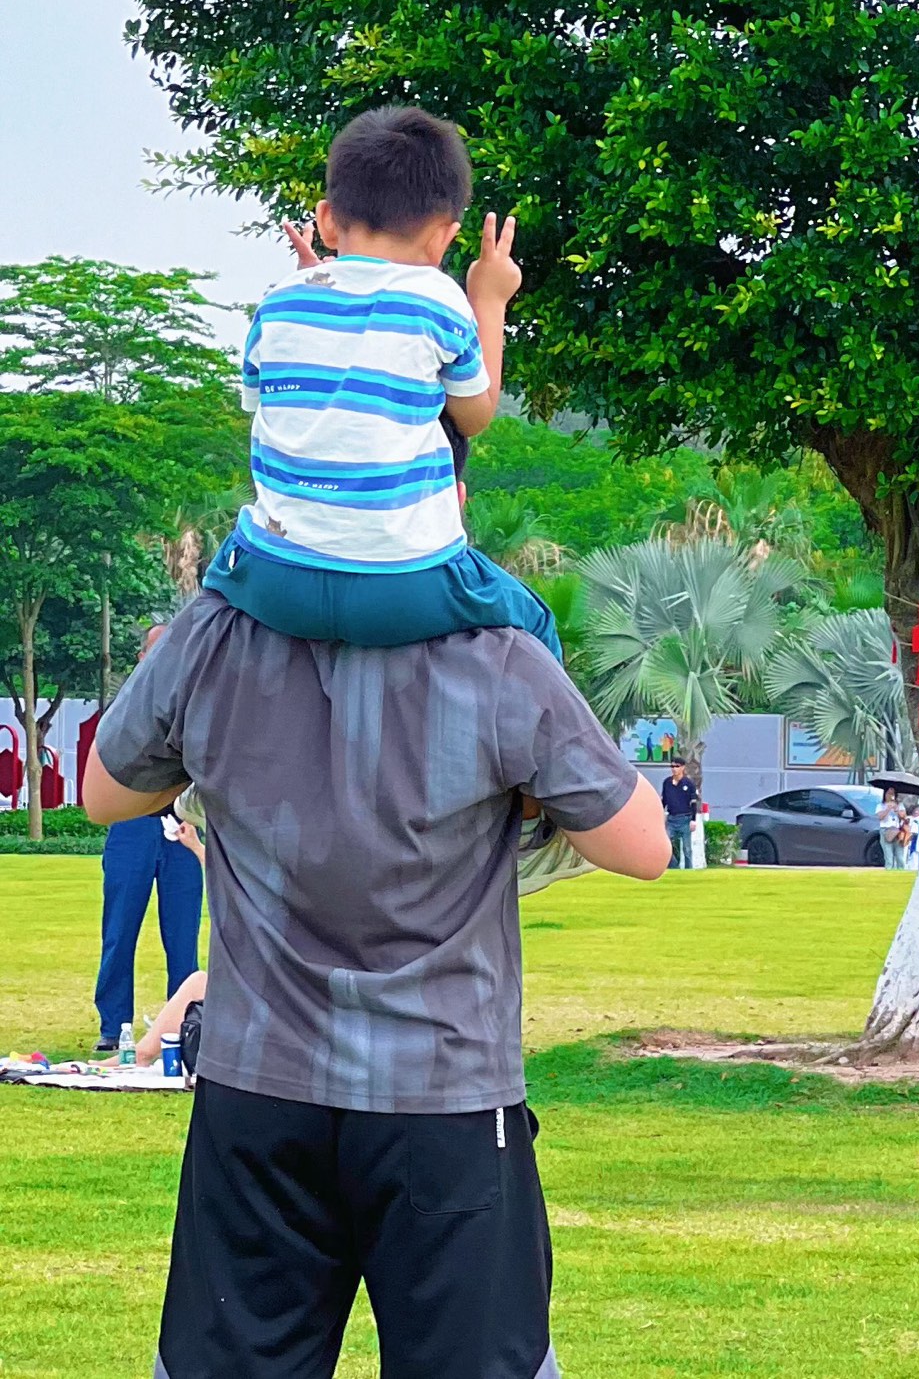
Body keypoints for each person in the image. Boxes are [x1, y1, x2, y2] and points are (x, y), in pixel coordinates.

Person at [86, 583, 669, 1375]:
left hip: (261, 1090)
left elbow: (106, 790)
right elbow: (643, 845)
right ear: (445, 494)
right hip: (444, 1095)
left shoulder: (214, 638)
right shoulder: (499, 657)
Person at [203, 104, 560, 653]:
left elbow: (270, 405)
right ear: (445, 237)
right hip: (403, 587)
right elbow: (476, 414)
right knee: (534, 625)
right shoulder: (439, 298)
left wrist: (316, 295)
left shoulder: (277, 303)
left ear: (325, 219)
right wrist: (488, 297)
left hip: (274, 581)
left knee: (201, 614)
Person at [94, 629, 204, 1052]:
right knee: (120, 929)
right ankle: (113, 1023)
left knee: (183, 933)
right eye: (154, 651)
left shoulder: (197, 701)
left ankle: (185, 1025)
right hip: (132, 826)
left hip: (182, 827)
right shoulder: (125, 710)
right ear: (142, 657)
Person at [660, 760, 702, 869]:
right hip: (671, 819)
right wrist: (661, 814)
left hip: (685, 819)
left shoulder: (689, 784)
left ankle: (688, 870)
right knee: (665, 846)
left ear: (682, 767)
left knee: (687, 849)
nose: (674, 769)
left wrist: (693, 820)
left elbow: (693, 803)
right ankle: (674, 866)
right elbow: (664, 800)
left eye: (677, 766)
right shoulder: (667, 783)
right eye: (672, 766)